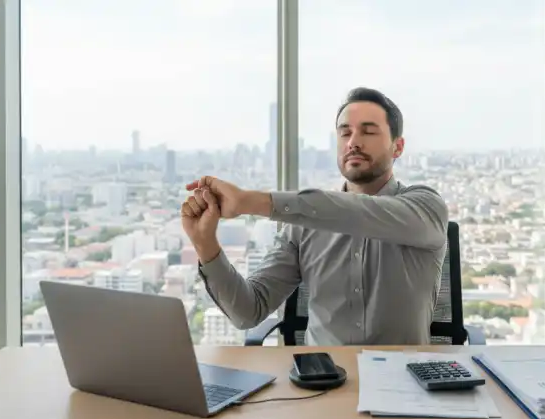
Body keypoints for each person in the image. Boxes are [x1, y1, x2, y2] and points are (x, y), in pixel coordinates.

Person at [181, 87, 448, 345]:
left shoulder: (426, 208)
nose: (353, 142)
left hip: (402, 380)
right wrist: (206, 245)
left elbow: (361, 212)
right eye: (345, 133)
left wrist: (248, 201)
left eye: (368, 131)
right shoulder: (303, 225)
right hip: (323, 380)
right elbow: (248, 311)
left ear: (397, 147)